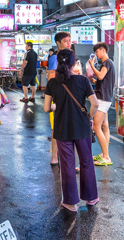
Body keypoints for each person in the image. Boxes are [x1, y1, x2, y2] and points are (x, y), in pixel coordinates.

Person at [44, 48, 99, 212]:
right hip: (82, 127)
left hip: (62, 129)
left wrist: (58, 105)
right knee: (86, 162)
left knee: (67, 165)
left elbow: (47, 107)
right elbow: (95, 103)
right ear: (74, 63)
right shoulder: (82, 80)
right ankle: (91, 197)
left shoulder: (52, 83)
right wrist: (88, 114)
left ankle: (70, 202)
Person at [88, 42, 116, 166]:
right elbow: (102, 80)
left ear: (103, 50)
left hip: (103, 99)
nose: (96, 54)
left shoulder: (107, 63)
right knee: (104, 126)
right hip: (105, 97)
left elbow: (100, 76)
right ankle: (105, 154)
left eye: (97, 51)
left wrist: (91, 65)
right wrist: (91, 79)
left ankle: (106, 156)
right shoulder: (107, 64)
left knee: (96, 127)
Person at [47, 32, 71, 166]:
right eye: (66, 41)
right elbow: (51, 78)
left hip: (70, 97)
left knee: (71, 128)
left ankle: (70, 160)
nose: (69, 43)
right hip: (58, 98)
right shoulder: (54, 58)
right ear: (58, 43)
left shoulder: (71, 56)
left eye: (69, 41)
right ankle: (55, 156)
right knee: (57, 128)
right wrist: (53, 99)